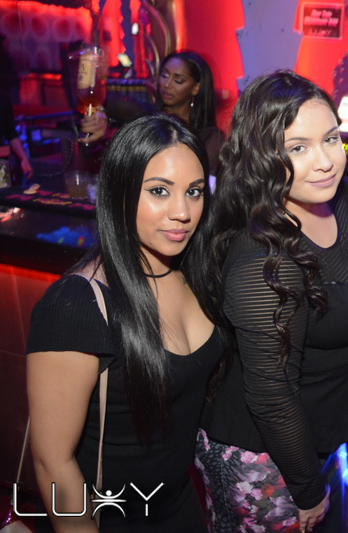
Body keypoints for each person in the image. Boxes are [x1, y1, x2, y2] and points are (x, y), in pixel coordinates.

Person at [196, 70, 348, 533]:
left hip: (317, 440)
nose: (325, 161)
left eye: (331, 139)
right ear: (261, 158)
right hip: (265, 460)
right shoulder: (263, 258)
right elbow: (272, 396)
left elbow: (342, 346)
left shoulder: (332, 201)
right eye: (298, 148)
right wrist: (307, 488)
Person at [26, 113, 225, 531]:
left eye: (193, 192)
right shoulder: (77, 305)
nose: (182, 212)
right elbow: (53, 463)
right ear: (119, 192)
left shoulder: (194, 273)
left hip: (182, 507)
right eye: (159, 191)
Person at [81, 51, 225, 175]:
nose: (167, 84)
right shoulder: (148, 118)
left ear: (195, 88)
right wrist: (101, 114)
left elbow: (199, 180)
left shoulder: (210, 137)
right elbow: (113, 105)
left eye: (178, 80)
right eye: (164, 75)